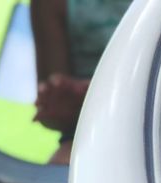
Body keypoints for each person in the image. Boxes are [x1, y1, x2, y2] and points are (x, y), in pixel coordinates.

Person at [31, 0, 133, 164]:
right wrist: (61, 105)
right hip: (90, 130)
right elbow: (50, 112)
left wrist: (91, 95)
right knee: (63, 167)